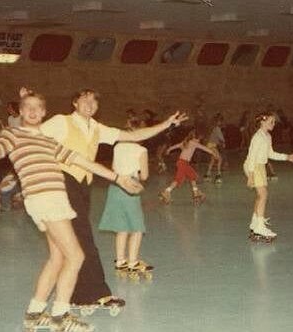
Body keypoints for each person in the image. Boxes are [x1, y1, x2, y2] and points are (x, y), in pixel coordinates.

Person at [0, 88, 142, 332]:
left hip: (56, 198)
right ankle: (61, 317)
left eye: (37, 108)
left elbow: (80, 161)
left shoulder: (47, 140)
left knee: (58, 257)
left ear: (43, 113)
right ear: (20, 111)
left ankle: (34, 313)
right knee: (76, 256)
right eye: (27, 107)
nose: (32, 111)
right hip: (44, 198)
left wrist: (118, 178)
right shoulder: (13, 134)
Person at [40, 88, 187, 312]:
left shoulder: (97, 128)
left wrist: (166, 124)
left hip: (81, 185)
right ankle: (96, 293)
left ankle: (71, 297)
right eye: (85, 99)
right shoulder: (61, 122)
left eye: (94, 101)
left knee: (70, 245)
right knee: (83, 238)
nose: (90, 103)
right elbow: (35, 136)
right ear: (75, 103)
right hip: (62, 182)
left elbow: (134, 136)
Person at [98, 121, 153, 281]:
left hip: (116, 186)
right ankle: (133, 262)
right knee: (137, 227)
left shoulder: (117, 147)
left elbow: (115, 167)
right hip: (131, 187)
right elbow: (144, 176)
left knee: (121, 227)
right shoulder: (141, 150)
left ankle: (121, 260)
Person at [244, 112, 293, 242]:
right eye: (271, 122)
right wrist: (250, 176)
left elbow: (270, 153)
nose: (273, 124)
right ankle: (260, 227)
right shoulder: (257, 137)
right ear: (262, 122)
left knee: (260, 196)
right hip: (253, 167)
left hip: (261, 167)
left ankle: (255, 223)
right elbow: (251, 157)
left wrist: (287, 157)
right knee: (263, 195)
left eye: (274, 122)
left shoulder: (267, 136)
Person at [158, 129, 218, 205]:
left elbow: (176, 146)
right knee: (180, 179)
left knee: (191, 177)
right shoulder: (193, 143)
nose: (199, 141)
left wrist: (169, 149)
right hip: (183, 163)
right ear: (196, 138)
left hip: (182, 163)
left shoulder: (186, 142)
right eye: (199, 139)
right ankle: (166, 192)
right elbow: (203, 148)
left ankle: (196, 192)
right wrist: (213, 153)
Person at [204, 116, 225, 183]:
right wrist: (223, 142)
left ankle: (207, 174)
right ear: (218, 122)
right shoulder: (217, 129)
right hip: (211, 146)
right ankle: (218, 175)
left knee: (213, 160)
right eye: (220, 121)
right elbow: (221, 138)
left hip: (211, 145)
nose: (221, 123)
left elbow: (216, 138)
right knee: (219, 159)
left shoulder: (214, 128)